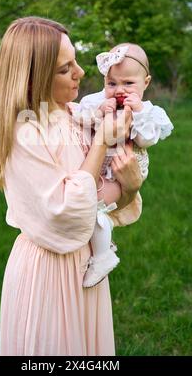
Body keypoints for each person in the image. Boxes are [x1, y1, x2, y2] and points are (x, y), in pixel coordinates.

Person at [0, 17, 143, 356]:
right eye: (64, 69)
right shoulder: (26, 133)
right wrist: (102, 141)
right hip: (49, 272)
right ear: (34, 77)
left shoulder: (74, 114)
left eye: (74, 60)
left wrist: (130, 187)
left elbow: (100, 198)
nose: (81, 73)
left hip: (86, 266)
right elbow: (67, 210)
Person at [72, 43, 174, 288]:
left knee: (92, 206)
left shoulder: (149, 110)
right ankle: (102, 250)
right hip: (100, 164)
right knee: (92, 206)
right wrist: (99, 111)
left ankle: (102, 255)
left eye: (128, 84)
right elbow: (81, 118)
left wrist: (136, 112)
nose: (119, 90)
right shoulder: (97, 100)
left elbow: (146, 139)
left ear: (145, 82)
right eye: (111, 83)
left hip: (128, 163)